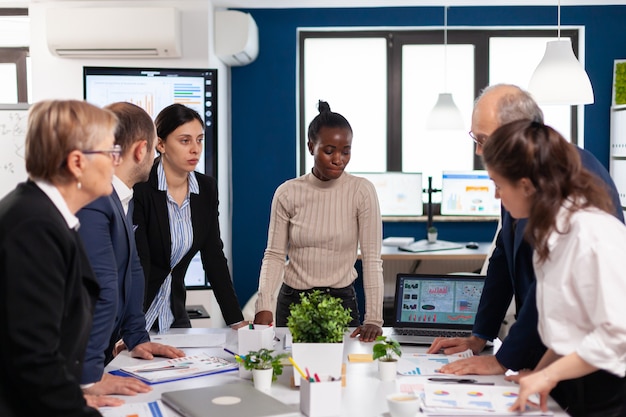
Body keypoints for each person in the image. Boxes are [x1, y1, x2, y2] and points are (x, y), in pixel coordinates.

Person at [427, 84, 623, 377]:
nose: (479, 151)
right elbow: (505, 256)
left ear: (518, 134)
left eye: (484, 139)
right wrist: (481, 336)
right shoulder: (519, 175)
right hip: (554, 349)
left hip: (593, 360)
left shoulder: (569, 185)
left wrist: (504, 360)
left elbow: (545, 289)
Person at [482, 120, 626, 416]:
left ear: (525, 186)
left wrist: (548, 375)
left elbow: (617, 336)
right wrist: (540, 373)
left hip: (611, 388)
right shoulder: (549, 234)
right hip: (576, 379)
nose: (497, 196)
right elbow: (569, 330)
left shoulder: (591, 234)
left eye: (498, 186)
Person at [0, 100, 123, 416]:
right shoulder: (34, 227)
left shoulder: (45, 216)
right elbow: (33, 357)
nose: (116, 162)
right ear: (77, 162)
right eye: (110, 153)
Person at [77, 102, 185, 397]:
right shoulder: (94, 199)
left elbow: (132, 269)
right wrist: (88, 377)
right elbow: (101, 287)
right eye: (153, 150)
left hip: (97, 356)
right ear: (141, 150)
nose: (154, 158)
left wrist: (137, 336)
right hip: (70, 364)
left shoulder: (123, 197)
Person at [253, 100, 384, 342]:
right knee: (289, 375)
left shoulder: (361, 191)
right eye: (329, 150)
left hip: (341, 303)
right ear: (311, 146)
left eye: (346, 151)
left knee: (343, 375)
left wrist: (374, 318)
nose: (339, 159)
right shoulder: (288, 192)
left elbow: (372, 259)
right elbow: (274, 255)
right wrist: (263, 306)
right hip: (294, 301)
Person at [133, 103, 246, 332]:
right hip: (134, 316)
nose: (195, 149)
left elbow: (213, 256)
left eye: (200, 140)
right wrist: (131, 328)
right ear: (161, 144)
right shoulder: (142, 188)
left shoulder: (205, 188)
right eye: (185, 141)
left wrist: (236, 321)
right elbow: (139, 264)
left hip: (174, 314)